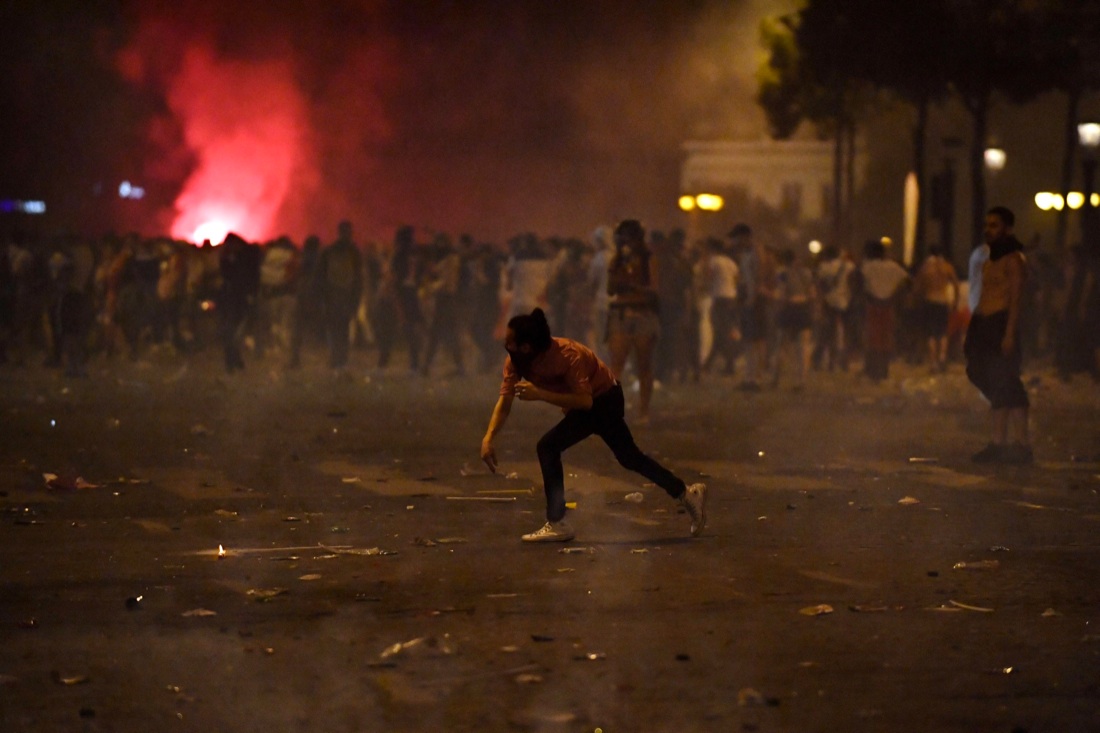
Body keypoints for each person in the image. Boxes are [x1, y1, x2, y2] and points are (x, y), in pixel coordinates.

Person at [479, 308, 706, 542]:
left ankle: (557, 522)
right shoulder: (517, 361)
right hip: (588, 405)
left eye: (509, 342)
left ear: (526, 347)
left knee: (549, 447)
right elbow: (504, 402)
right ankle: (687, 493)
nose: (505, 345)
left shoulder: (567, 355)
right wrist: (488, 438)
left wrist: (540, 393)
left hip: (605, 399)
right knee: (629, 457)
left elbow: (585, 401)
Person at [965, 207, 1032, 464]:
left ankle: (1017, 444)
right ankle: (1001, 443)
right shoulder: (990, 259)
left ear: (1008, 228)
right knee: (981, 373)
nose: (988, 229)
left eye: (994, 225)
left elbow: (1015, 300)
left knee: (1007, 381)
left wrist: (1009, 333)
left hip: (1002, 323)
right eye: (987, 224)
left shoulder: (1014, 260)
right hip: (983, 324)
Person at [859, 240, 909, 382]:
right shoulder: (894, 267)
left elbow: (858, 280)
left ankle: (873, 371)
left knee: (872, 338)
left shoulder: (867, 266)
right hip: (889, 305)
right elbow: (906, 282)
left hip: (872, 305)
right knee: (886, 338)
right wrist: (895, 295)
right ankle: (884, 370)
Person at [913, 245, 959, 372]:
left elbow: (917, 287)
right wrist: (955, 301)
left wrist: (917, 301)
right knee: (943, 332)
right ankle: (942, 357)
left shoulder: (925, 268)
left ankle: (933, 362)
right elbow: (956, 285)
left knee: (931, 333)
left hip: (930, 300)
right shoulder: (947, 267)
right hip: (943, 301)